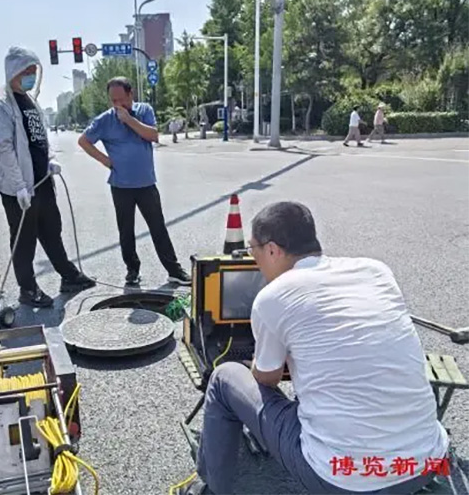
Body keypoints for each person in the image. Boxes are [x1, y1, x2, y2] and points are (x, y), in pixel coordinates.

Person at [179, 201, 449, 495]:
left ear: (272, 249)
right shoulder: (375, 270)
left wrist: (262, 361)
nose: (253, 259)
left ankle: (209, 488)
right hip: (427, 463)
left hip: (342, 480)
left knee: (223, 377)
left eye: (252, 250)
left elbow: (265, 379)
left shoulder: (273, 297)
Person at [0, 46, 95, 307]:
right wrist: (19, 186)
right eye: (27, 71)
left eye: (34, 71)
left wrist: (52, 160)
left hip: (43, 181)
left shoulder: (30, 100)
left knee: (52, 229)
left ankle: (68, 276)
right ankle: (28, 289)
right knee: (24, 238)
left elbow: (40, 138)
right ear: (14, 71)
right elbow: (3, 147)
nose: (32, 76)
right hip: (19, 186)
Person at [78, 77, 190, 287]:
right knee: (126, 231)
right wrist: (106, 161)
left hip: (146, 184)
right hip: (121, 186)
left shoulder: (144, 110)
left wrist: (129, 119)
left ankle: (174, 270)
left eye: (122, 99)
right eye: (113, 101)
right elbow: (83, 141)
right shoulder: (105, 120)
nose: (118, 105)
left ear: (131, 95)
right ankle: (132, 271)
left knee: (158, 227)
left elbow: (153, 135)